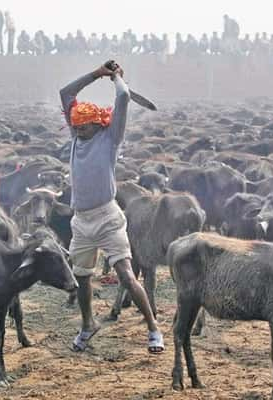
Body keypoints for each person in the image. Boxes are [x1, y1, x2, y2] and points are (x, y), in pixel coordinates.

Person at [59, 62, 165, 354]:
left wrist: (118, 78)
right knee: (82, 278)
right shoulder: (76, 137)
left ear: (97, 124)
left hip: (107, 216)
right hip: (81, 221)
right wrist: (96, 74)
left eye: (84, 127)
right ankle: (87, 324)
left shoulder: (110, 139)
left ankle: (154, 328)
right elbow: (65, 92)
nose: (79, 131)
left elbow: (122, 98)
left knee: (126, 275)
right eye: (76, 127)